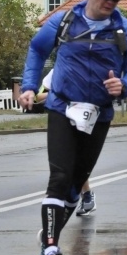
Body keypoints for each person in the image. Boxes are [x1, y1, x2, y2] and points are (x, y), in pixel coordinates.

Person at [19, 0, 127, 255]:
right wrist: (28, 86)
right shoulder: (63, 21)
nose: (111, 1)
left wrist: (125, 86)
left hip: (98, 113)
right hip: (62, 106)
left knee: (77, 184)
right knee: (59, 177)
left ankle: (49, 236)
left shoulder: (125, 30)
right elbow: (37, 50)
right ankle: (50, 249)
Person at [35, 70, 97, 216]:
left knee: (78, 161)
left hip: (84, 117)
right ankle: (79, 196)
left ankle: (85, 196)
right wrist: (59, 94)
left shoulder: (91, 67)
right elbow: (39, 96)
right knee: (65, 162)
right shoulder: (57, 70)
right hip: (61, 119)